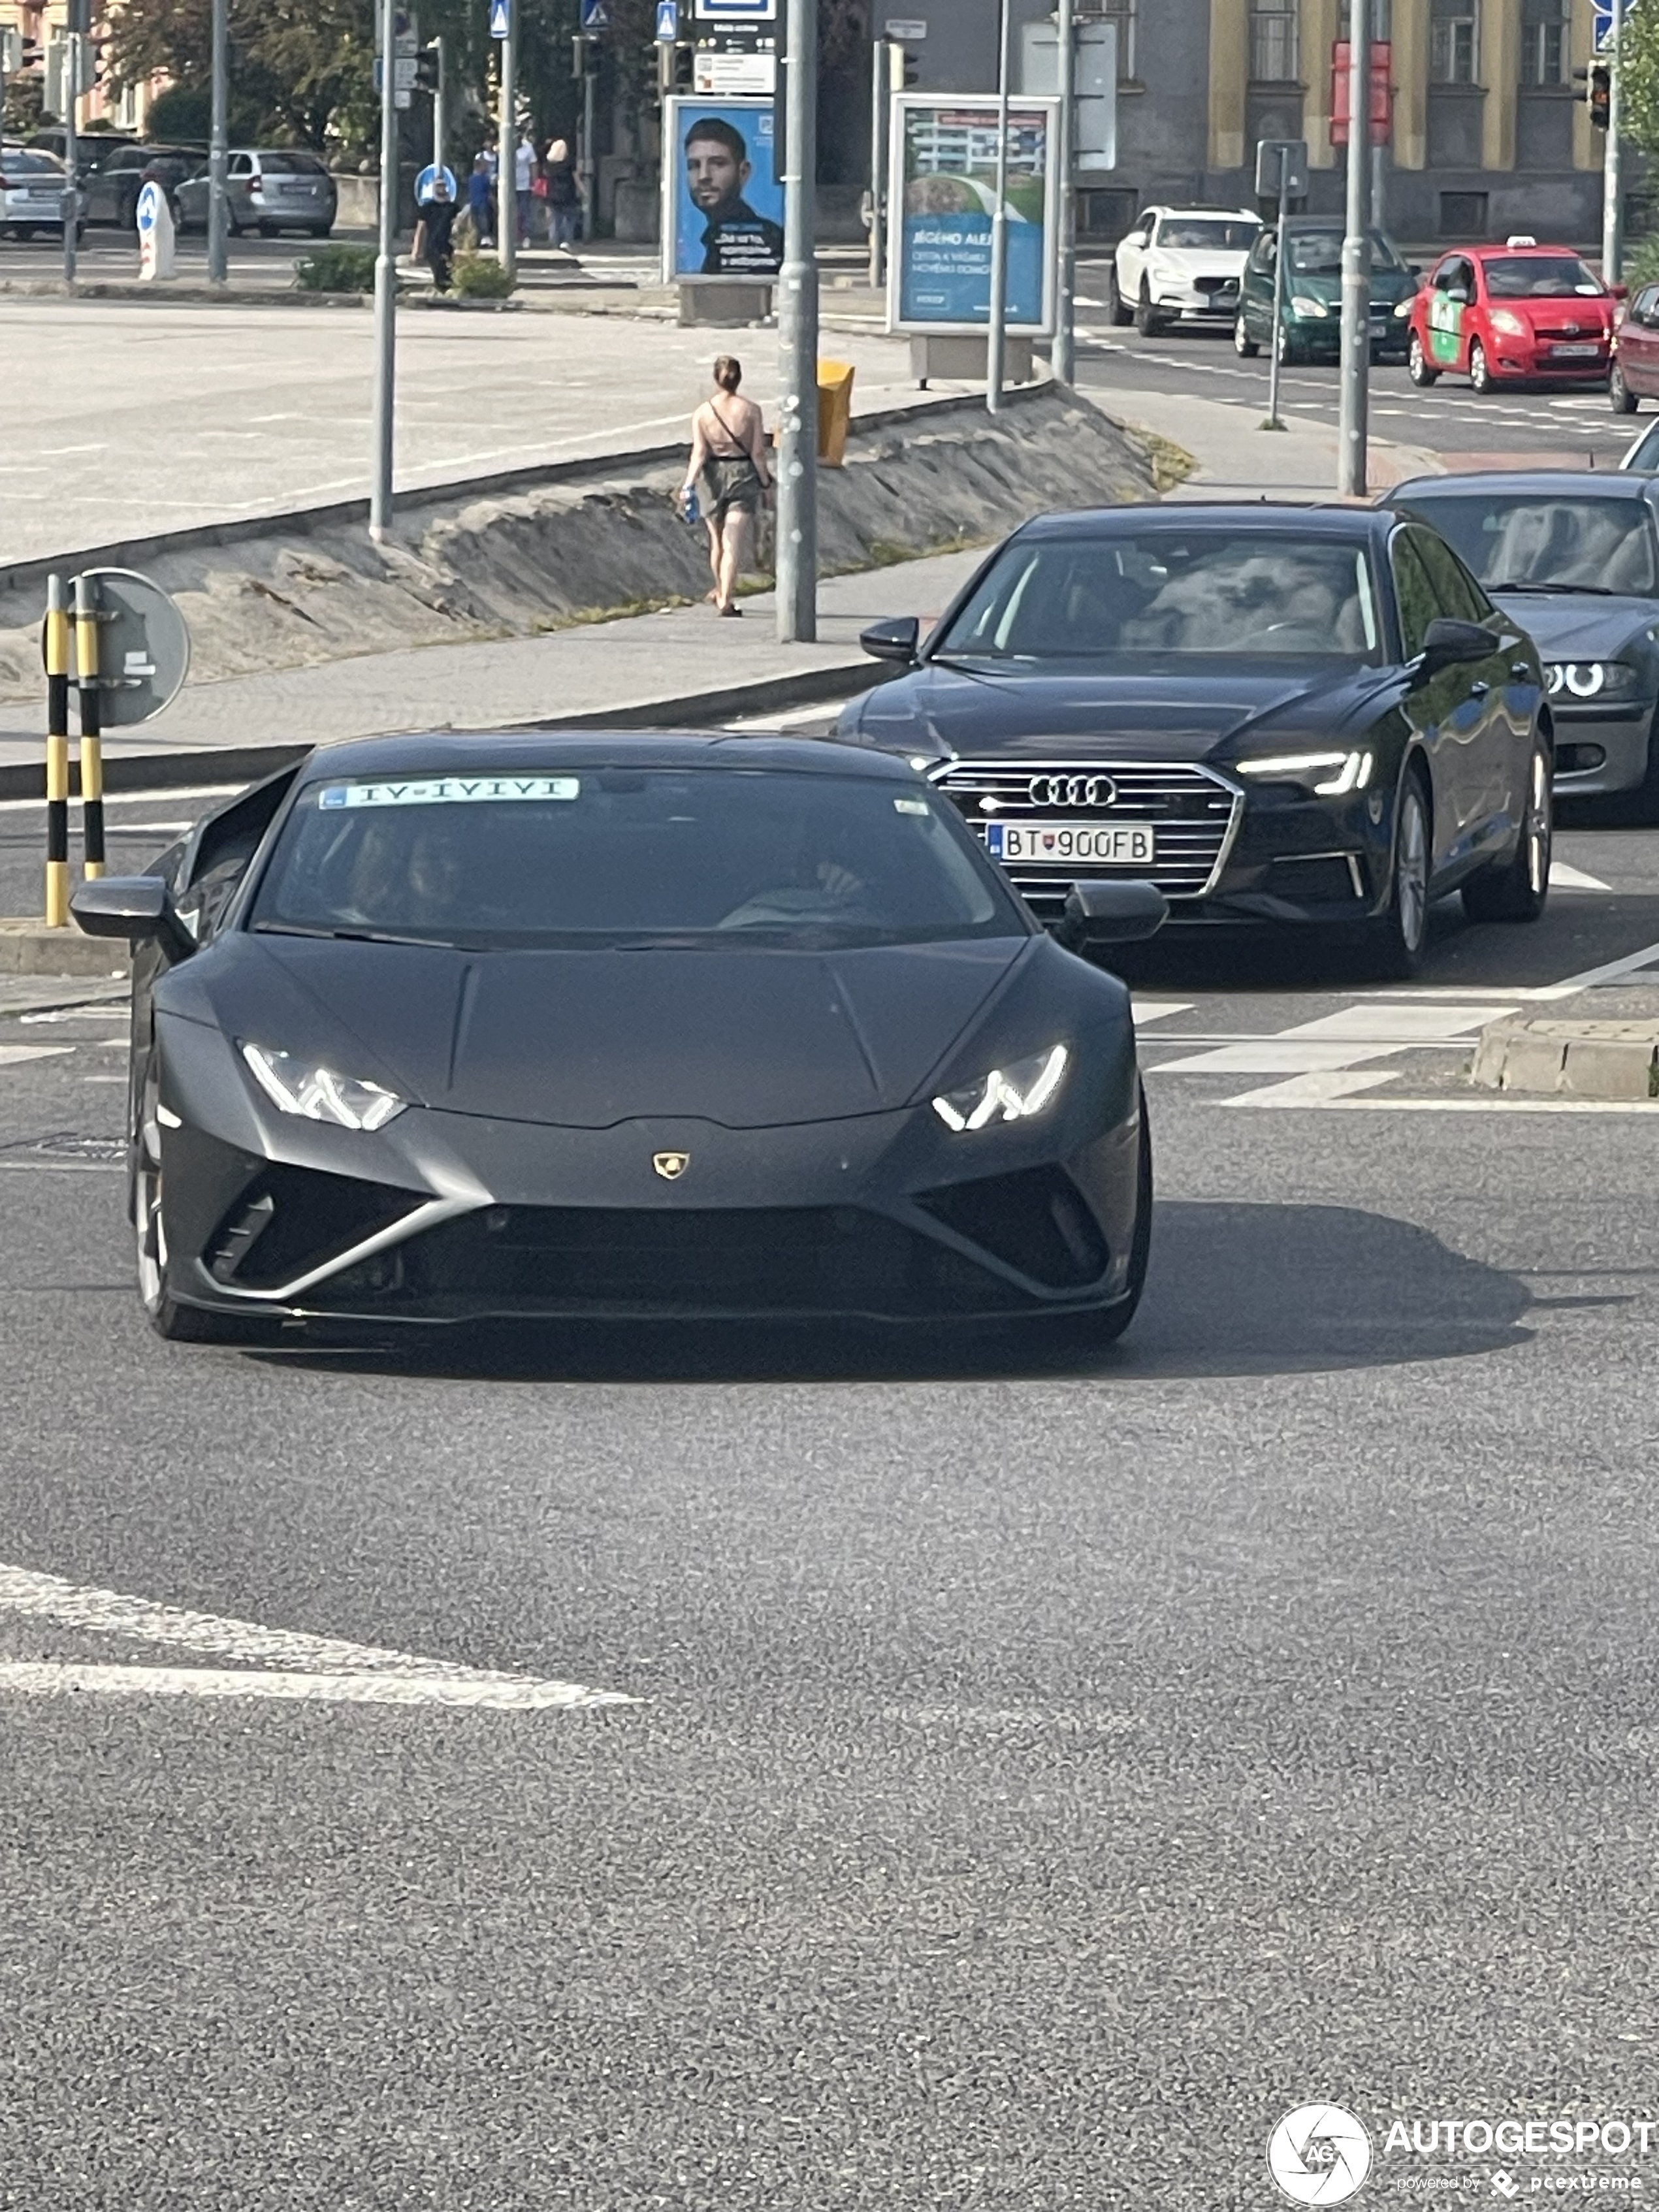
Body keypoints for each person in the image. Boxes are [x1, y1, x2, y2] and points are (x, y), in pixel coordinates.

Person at [681, 356, 773, 618]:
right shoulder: (751, 410)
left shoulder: (703, 413)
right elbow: (758, 453)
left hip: (712, 476)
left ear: (715, 379)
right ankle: (726, 600)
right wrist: (765, 483)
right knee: (733, 541)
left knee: (717, 542)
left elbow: (699, 453)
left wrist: (689, 484)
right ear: (739, 378)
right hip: (743, 474)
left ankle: (720, 588)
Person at [683, 118, 784, 277]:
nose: (703, 176)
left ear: (743, 172)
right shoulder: (713, 236)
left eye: (717, 163)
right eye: (694, 166)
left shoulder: (767, 239)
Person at [412, 173, 458, 295]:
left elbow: (459, 226)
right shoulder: (427, 208)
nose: (441, 189)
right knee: (438, 269)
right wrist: (416, 250)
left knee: (447, 272)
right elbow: (421, 229)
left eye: (443, 186)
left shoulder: (452, 207)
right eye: (438, 186)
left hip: (448, 244)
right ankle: (441, 291)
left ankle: (444, 292)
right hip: (432, 245)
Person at [543, 137, 579, 251]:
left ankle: (555, 242)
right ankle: (567, 241)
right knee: (569, 218)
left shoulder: (549, 163)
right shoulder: (569, 162)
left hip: (552, 194)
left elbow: (546, 176)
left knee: (555, 219)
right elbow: (576, 178)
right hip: (567, 193)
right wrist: (584, 191)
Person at [515, 131, 538, 248]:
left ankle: (526, 236)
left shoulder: (528, 147)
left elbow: (533, 165)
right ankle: (512, 236)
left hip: (524, 185)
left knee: (525, 211)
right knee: (511, 212)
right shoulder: (504, 146)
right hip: (509, 186)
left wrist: (534, 183)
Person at [467, 151, 494, 249]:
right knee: (485, 221)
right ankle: (486, 238)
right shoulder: (485, 178)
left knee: (476, 222)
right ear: (480, 167)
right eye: (485, 166)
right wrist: (494, 203)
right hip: (484, 203)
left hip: (474, 203)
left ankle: (477, 240)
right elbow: (489, 193)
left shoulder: (471, 179)